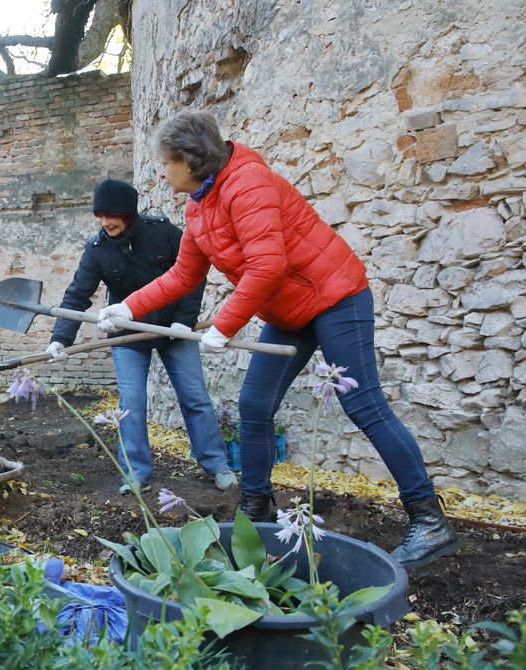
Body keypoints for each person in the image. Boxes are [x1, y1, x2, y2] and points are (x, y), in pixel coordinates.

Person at [99, 110, 459, 568]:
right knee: (253, 404)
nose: (162, 171)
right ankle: (257, 505)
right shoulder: (198, 206)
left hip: (334, 296)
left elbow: (266, 266)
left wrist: (225, 326)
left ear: (190, 160)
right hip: (288, 309)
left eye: (166, 162)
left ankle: (429, 522)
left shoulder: (249, 184)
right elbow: (184, 275)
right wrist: (129, 307)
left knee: (363, 403)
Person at [47, 179, 236, 494]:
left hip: (173, 329)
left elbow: (194, 272)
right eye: (100, 216)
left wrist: (184, 321)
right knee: (131, 403)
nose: (105, 222)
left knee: (195, 398)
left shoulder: (162, 233)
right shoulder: (97, 250)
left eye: (111, 215)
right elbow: (76, 296)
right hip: (128, 335)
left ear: (128, 212)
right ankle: (136, 474)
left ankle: (217, 465)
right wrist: (60, 338)